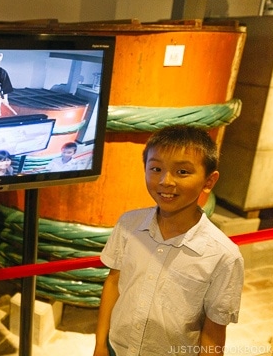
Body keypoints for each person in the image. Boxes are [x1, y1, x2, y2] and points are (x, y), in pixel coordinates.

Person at [93, 125, 244, 356]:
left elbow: (213, 332)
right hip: (118, 348)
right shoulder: (128, 224)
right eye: (156, 168)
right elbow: (114, 282)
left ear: (209, 181)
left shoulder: (223, 256)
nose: (166, 181)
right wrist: (100, 345)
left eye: (182, 172)